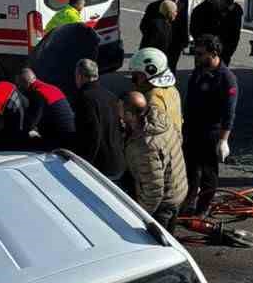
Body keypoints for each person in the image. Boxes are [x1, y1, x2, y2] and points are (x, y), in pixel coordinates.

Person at [182, 35, 237, 215]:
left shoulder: (226, 79)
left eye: (199, 54)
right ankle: (189, 199)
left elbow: (229, 113)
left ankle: (203, 208)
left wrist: (223, 140)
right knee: (190, 167)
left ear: (213, 54)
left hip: (211, 132)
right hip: (192, 129)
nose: (196, 57)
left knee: (208, 173)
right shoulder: (199, 70)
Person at [120, 91, 187, 229]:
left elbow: (154, 191)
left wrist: (141, 217)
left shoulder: (144, 146)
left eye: (121, 111)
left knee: (160, 244)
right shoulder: (160, 118)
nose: (118, 114)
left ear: (130, 115)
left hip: (163, 205)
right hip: (177, 189)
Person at [72, 58, 125, 180]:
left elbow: (92, 134)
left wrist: (84, 163)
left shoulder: (84, 99)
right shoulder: (110, 96)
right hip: (118, 161)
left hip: (100, 168)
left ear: (79, 76)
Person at [16, 64, 76, 149]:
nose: (19, 88)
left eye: (19, 85)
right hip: (71, 137)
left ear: (26, 83)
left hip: (59, 143)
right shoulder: (52, 88)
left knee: (21, 141)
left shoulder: (37, 93)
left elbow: (30, 123)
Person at [128, 46, 182, 134]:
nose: (133, 81)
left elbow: (152, 131)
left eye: (135, 76)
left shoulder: (152, 99)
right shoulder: (172, 89)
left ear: (150, 71)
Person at [137, 0, 181, 65]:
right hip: (154, 50)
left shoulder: (181, 6)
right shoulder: (153, 6)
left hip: (173, 49)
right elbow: (143, 26)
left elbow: (182, 27)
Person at [217, 0, 243, 67]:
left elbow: (233, 33)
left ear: (226, 1)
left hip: (226, 46)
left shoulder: (234, 14)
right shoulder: (228, 10)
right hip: (224, 45)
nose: (219, 2)